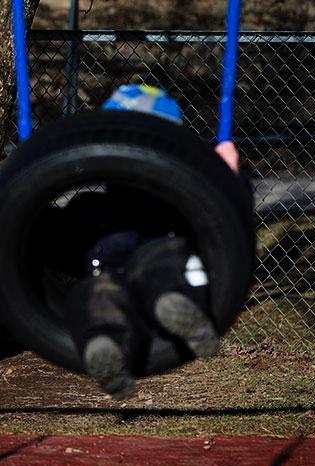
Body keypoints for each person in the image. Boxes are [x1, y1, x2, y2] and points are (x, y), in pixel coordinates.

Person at [58, 84, 240, 400]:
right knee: (165, 272)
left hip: (110, 263)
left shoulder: (93, 204)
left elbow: (53, 238)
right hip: (157, 252)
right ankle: (174, 306)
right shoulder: (180, 194)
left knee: (98, 297)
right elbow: (229, 210)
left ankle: (107, 342)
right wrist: (229, 175)